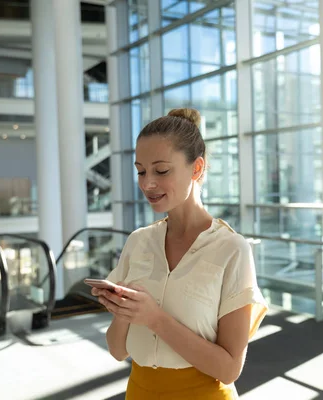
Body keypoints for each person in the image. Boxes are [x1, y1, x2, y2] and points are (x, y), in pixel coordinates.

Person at [91, 108, 268, 399]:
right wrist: (124, 311)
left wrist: (154, 317)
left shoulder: (231, 249)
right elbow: (117, 349)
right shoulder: (138, 242)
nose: (148, 183)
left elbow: (229, 368)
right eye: (141, 171)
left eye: (161, 171)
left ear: (196, 169)